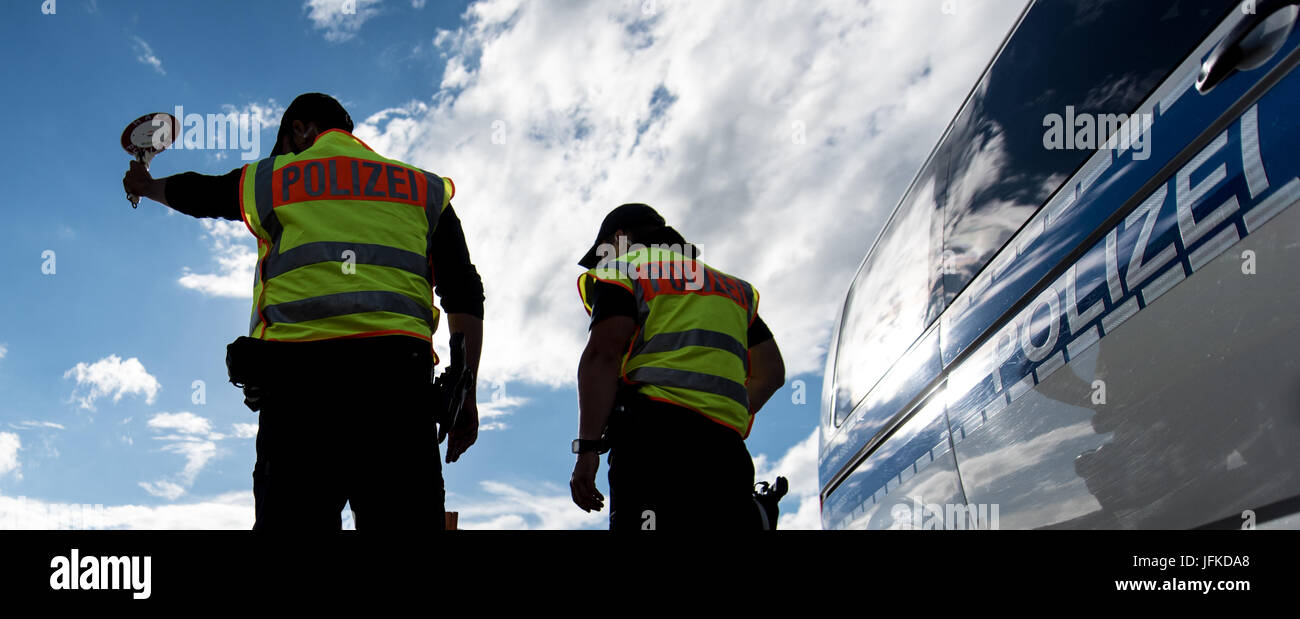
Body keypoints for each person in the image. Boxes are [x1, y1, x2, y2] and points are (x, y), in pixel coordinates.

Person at [122, 93, 484, 531]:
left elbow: (204, 193)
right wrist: (467, 393)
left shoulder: (275, 178)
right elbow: (464, 294)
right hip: (398, 395)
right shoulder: (421, 188)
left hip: (298, 395)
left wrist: (147, 186)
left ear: (300, 129)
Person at [569, 203, 785, 530]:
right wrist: (717, 408)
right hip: (726, 452)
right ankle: (756, 514)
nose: (604, 259)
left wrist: (587, 451)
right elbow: (771, 373)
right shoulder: (730, 288)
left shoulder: (624, 269)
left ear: (620, 237)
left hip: (652, 443)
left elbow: (602, 355)